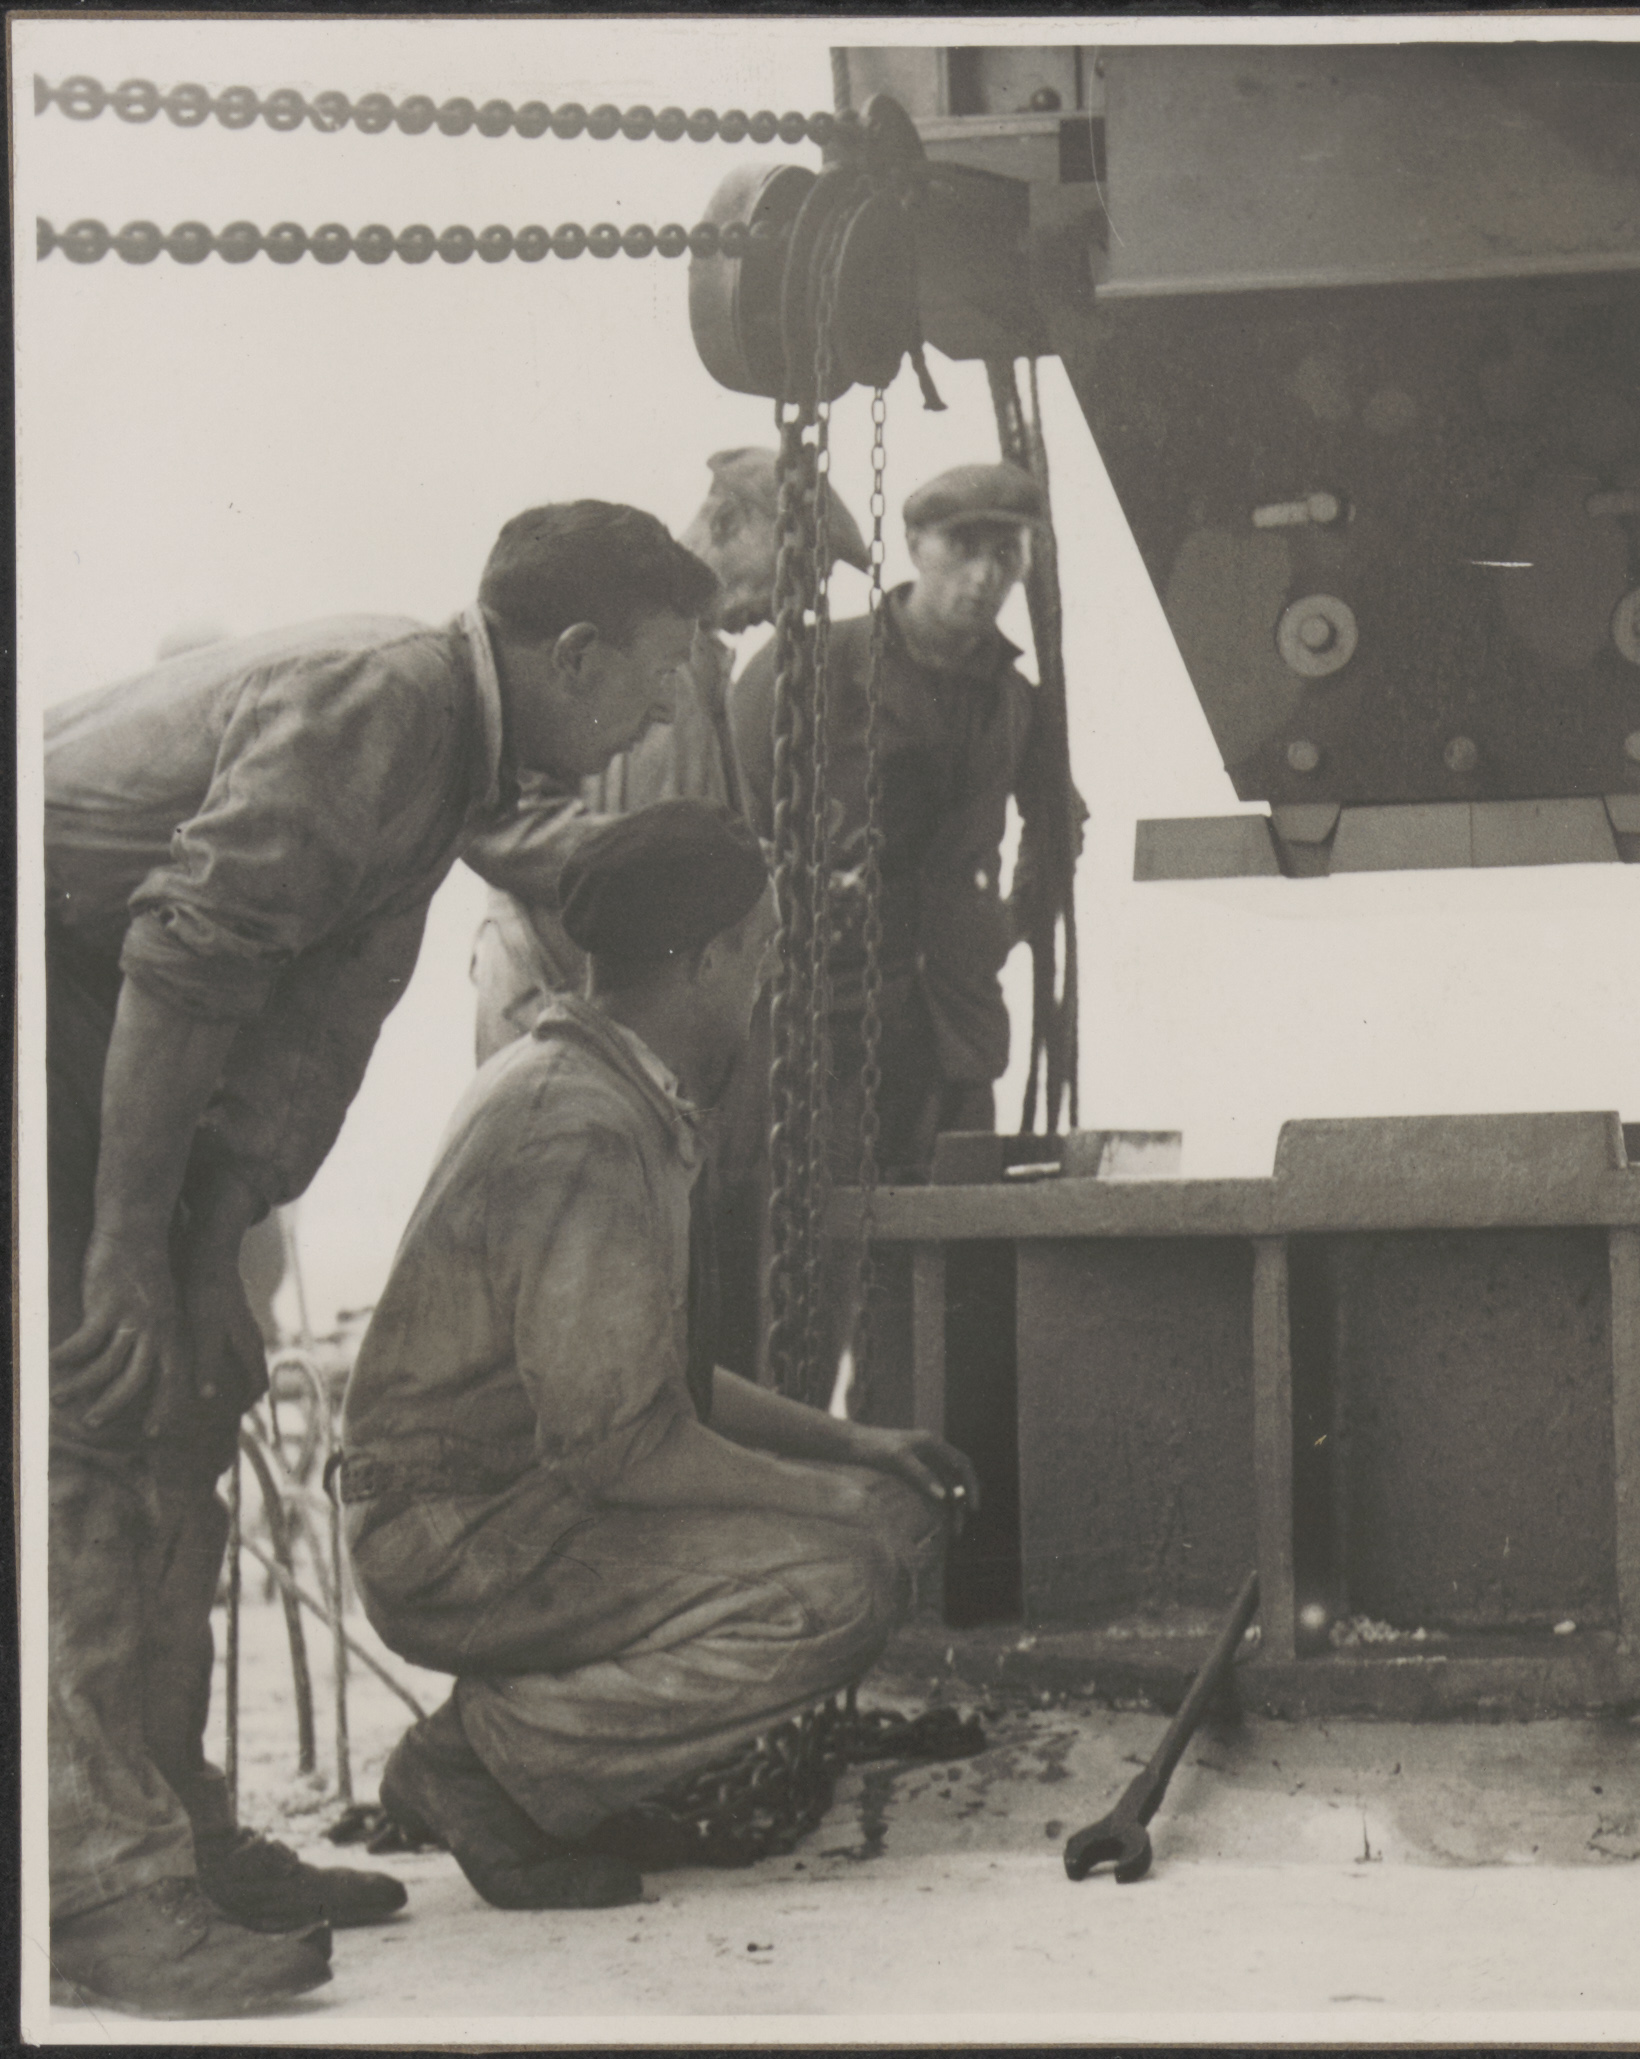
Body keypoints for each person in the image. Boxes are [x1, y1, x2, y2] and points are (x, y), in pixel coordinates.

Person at [44, 502, 713, 2014]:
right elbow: (184, 958)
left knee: (184, 1401)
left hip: (101, 1013)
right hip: (58, 987)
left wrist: (208, 1254)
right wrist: (125, 1255)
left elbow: (308, 1040)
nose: (672, 708)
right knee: (100, 1407)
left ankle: (179, 1838)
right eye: (662, 668)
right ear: (575, 652)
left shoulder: (450, 759)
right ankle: (85, 1887)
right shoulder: (387, 706)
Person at [341, 803, 979, 1913]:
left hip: (500, 1499)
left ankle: (544, 1764)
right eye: (763, 951)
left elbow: (654, 1378)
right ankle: (479, 1764)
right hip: (453, 1535)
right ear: (707, 960)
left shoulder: (586, 1081)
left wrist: (854, 1445)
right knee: (842, 1582)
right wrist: (835, 1500)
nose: (768, 981)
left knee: (882, 1511)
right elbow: (623, 1451)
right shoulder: (582, 1130)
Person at [726, 460, 1084, 1397]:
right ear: (917, 545)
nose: (985, 575)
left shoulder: (1016, 700)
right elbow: (734, 825)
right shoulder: (810, 667)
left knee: (934, 1296)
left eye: (1005, 553)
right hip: (819, 1026)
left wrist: (1002, 927)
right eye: (964, 547)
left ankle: (896, 1461)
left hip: (949, 1033)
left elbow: (1058, 825)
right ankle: (787, 1459)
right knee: (800, 1285)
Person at [463, 449, 867, 1064]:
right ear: (727, 523)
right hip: (554, 1002)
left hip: (642, 1025)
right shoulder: (597, 628)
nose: (803, 601)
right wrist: (673, 868)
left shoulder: (706, 668)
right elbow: (498, 821)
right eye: (799, 567)